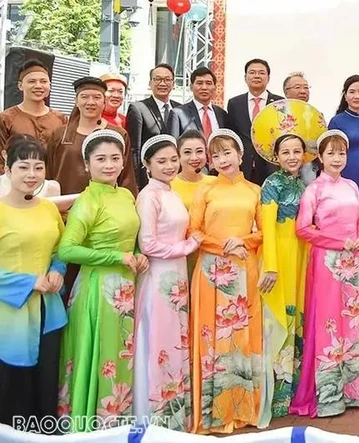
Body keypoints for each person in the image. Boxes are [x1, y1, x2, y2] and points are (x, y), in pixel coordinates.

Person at [57, 129, 146, 431]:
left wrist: (136, 252)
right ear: (86, 165)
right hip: (97, 290)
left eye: (114, 158)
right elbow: (67, 249)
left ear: (123, 162)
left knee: (121, 354)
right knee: (102, 355)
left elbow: (130, 236)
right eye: (101, 159)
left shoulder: (125, 194)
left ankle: (117, 426)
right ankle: (92, 427)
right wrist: (116, 258)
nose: (109, 165)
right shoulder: (87, 200)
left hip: (125, 288)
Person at [291, 130, 359, 417]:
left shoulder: (352, 186)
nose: (337, 158)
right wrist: (341, 243)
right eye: (331, 153)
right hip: (327, 261)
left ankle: (355, 389)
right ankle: (329, 395)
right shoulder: (314, 190)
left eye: (341, 153)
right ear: (320, 157)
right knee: (329, 322)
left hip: (351, 262)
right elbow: (304, 229)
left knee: (352, 321)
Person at [188, 129, 265, 434]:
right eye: (216, 155)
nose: (222, 159)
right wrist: (219, 246)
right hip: (211, 269)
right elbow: (192, 231)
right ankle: (213, 411)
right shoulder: (205, 191)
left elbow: (263, 231)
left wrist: (244, 240)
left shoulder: (254, 191)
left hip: (243, 267)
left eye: (227, 152)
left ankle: (243, 406)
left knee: (241, 336)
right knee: (212, 334)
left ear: (240, 154)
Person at [133, 135, 201, 430]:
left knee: (176, 338)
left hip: (177, 275)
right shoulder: (149, 196)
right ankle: (155, 415)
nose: (170, 165)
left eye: (174, 159)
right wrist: (186, 247)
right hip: (160, 276)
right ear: (147, 165)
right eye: (161, 161)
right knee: (160, 339)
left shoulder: (171, 193)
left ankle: (175, 414)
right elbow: (147, 243)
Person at [0, 136, 67, 429]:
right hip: (9, 313)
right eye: (23, 166)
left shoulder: (49, 209)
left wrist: (57, 269)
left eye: (38, 167)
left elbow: (59, 249)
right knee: (13, 382)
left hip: (47, 310)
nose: (31, 174)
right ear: (7, 168)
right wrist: (28, 282)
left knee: (47, 377)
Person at [258, 132, 309, 423]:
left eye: (296, 151)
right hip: (280, 255)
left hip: (299, 255)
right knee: (279, 320)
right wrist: (272, 266)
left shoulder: (302, 184)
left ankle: (291, 390)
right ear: (275, 156)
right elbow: (267, 226)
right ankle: (275, 393)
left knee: (296, 318)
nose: (291, 157)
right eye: (285, 152)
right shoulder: (272, 184)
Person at [327, 75, 359, 292]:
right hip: (345, 182)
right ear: (345, 95)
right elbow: (330, 155)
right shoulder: (337, 121)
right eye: (352, 92)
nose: (357, 96)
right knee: (346, 228)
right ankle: (344, 278)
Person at [46, 77, 137, 196]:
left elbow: (127, 177)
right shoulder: (60, 134)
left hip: (106, 207)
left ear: (104, 102)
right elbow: (48, 173)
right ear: (76, 101)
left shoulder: (118, 135)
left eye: (97, 97)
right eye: (84, 97)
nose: (91, 102)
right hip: (64, 207)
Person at [0, 60, 67, 171]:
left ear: (50, 85)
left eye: (43, 81)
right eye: (32, 81)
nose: (38, 86)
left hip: (52, 183)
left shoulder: (61, 119)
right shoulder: (6, 119)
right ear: (20, 85)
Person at [227, 58, 283, 186]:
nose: (256, 76)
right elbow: (232, 135)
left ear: (268, 78)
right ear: (245, 77)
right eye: (252, 72)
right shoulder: (235, 103)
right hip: (243, 165)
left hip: (271, 165)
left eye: (261, 73)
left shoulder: (279, 103)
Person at [126, 64, 180, 190]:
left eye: (167, 80)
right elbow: (135, 149)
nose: (162, 83)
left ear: (173, 84)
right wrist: (137, 182)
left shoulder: (180, 109)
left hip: (176, 177)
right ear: (150, 83)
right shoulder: (138, 108)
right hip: (149, 179)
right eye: (157, 79)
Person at [167, 67, 229, 138]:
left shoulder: (222, 114)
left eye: (208, 83)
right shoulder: (178, 114)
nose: (204, 87)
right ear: (191, 87)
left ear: (214, 88)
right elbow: (172, 145)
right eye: (199, 83)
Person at [170, 130, 215, 211]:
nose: (194, 158)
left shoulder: (215, 182)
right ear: (178, 155)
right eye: (187, 152)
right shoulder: (169, 186)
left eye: (199, 151)